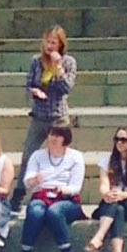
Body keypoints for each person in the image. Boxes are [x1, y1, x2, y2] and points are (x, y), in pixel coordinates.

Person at [16, 121, 86, 252]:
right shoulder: (37, 156)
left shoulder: (76, 157)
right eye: (51, 134)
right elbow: (27, 182)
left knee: (55, 212)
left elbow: (75, 187)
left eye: (58, 135)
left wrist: (62, 189)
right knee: (35, 210)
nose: (53, 138)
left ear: (65, 138)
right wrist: (35, 180)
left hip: (67, 199)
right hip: (41, 195)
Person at [24, 26, 77, 158]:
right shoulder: (36, 61)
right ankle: (24, 179)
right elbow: (29, 85)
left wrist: (58, 68)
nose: (49, 46)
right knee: (28, 154)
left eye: (53, 43)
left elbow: (66, 88)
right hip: (39, 116)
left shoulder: (69, 62)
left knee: (59, 154)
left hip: (58, 117)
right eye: (47, 42)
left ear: (60, 45)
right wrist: (34, 91)